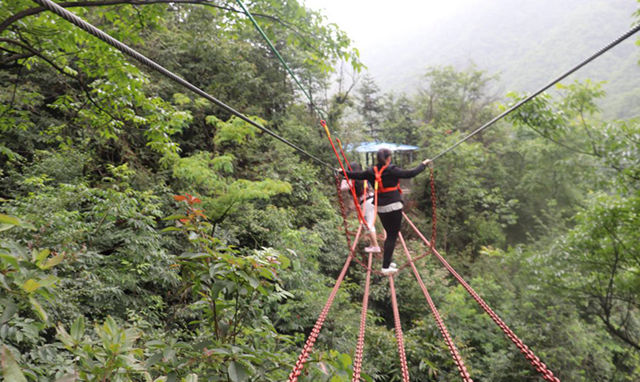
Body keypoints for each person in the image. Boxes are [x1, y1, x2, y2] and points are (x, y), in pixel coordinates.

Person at [343, 148, 431, 275]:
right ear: (388, 158)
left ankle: (388, 262)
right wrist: (423, 164)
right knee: (391, 235)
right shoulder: (392, 170)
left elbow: (356, 175)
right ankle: (385, 267)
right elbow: (410, 173)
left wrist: (342, 172)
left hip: (381, 208)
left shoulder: (371, 171)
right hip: (394, 206)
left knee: (390, 234)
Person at [348, 163, 380, 253]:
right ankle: (372, 244)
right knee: (367, 223)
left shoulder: (353, 180)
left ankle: (376, 246)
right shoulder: (365, 177)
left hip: (366, 202)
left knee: (369, 224)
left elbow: (343, 187)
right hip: (372, 199)